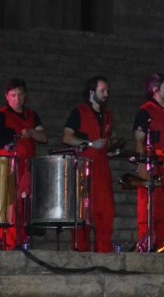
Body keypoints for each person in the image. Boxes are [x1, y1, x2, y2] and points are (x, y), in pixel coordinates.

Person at [61, 76, 115, 252]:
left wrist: (110, 150)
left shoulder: (107, 116)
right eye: (102, 90)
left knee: (105, 214)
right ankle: (80, 254)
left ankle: (104, 255)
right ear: (92, 92)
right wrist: (91, 144)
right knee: (82, 214)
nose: (106, 94)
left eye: (107, 90)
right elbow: (66, 137)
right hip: (83, 170)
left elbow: (105, 142)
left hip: (102, 171)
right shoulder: (79, 112)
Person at [132, 73, 164, 251]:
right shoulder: (145, 111)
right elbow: (139, 139)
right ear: (155, 89)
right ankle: (146, 243)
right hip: (153, 163)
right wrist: (141, 164)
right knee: (150, 205)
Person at [0, 78, 47, 250]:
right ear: (7, 97)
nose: (17, 99)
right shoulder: (2, 115)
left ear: (25, 96)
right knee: (9, 207)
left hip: (27, 168)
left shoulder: (32, 116)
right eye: (13, 95)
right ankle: (9, 245)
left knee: (25, 207)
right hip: (7, 168)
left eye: (20, 95)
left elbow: (44, 137)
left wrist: (32, 132)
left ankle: (22, 243)